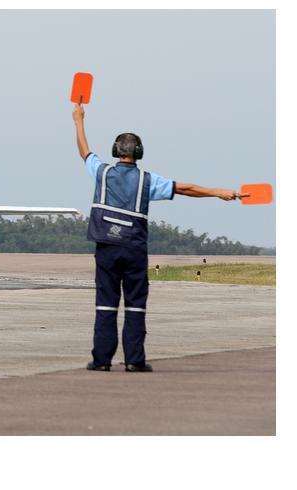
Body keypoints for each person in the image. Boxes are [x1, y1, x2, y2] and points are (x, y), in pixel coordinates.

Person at [72, 103, 241, 372]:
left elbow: (84, 150)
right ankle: (134, 361)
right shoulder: (147, 181)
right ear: (138, 154)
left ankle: (102, 361)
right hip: (134, 250)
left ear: (116, 151)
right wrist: (218, 191)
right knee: (136, 306)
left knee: (105, 304)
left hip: (106, 248)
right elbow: (186, 189)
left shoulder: (101, 172)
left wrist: (79, 120)